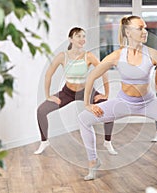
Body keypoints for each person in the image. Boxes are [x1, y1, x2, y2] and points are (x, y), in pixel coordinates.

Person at [77, 15, 157, 182]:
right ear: (128, 32)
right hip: (123, 103)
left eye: (145, 27)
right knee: (83, 118)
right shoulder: (118, 55)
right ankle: (93, 161)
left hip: (149, 103)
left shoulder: (152, 54)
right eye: (140, 28)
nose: (145, 31)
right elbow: (91, 76)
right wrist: (87, 104)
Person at [35, 27, 117, 155]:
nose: (82, 39)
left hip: (86, 92)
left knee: (108, 109)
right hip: (67, 92)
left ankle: (107, 142)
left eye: (83, 36)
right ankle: (44, 141)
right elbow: (48, 74)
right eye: (78, 36)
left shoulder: (88, 56)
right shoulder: (62, 56)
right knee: (41, 111)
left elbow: (103, 71)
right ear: (71, 39)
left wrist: (106, 93)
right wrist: (48, 95)